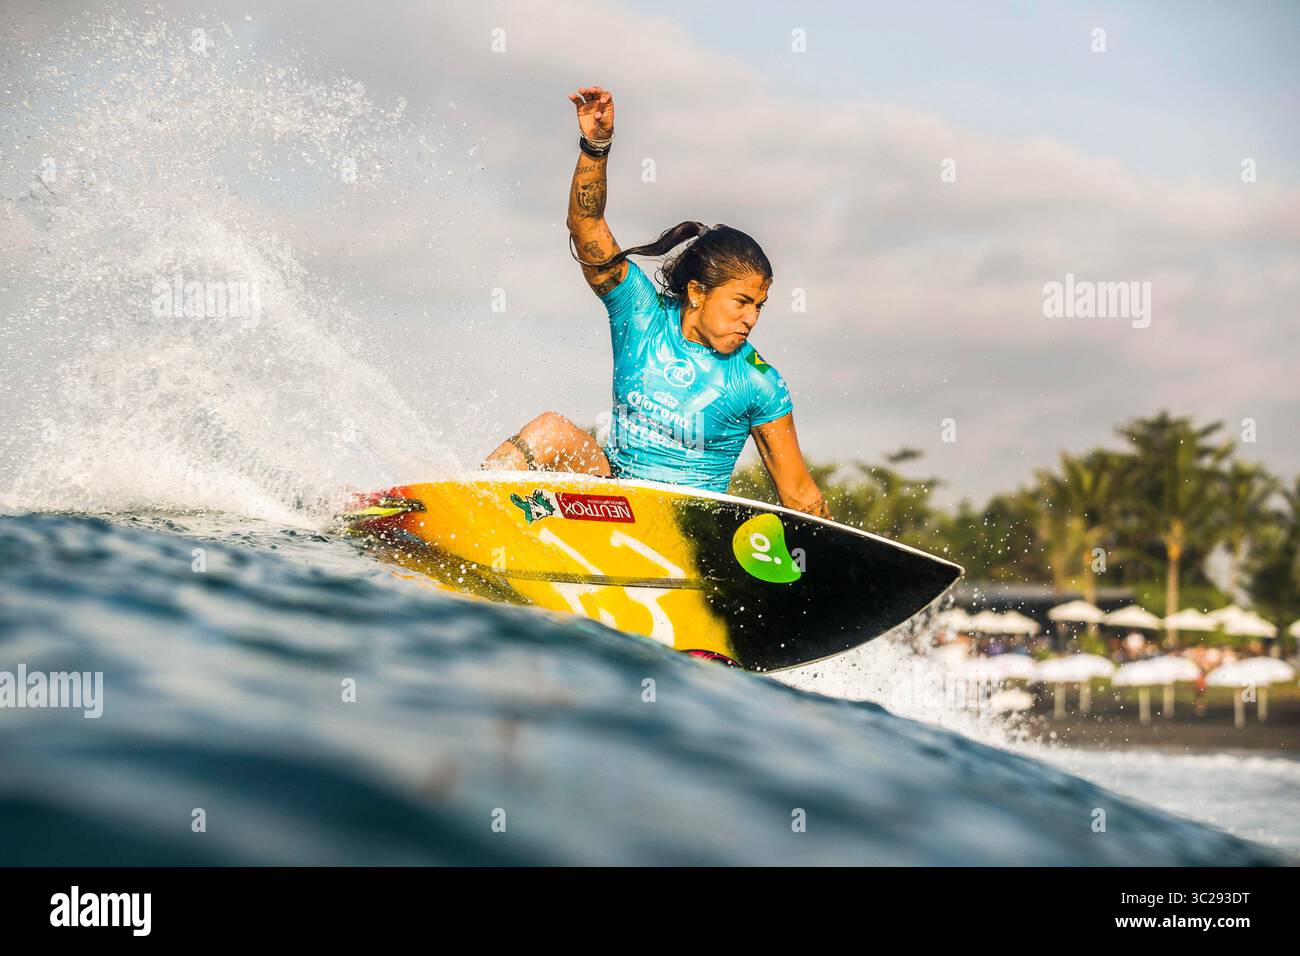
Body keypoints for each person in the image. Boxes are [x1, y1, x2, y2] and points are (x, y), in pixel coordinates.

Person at [481, 85, 830, 518]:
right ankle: (475, 514)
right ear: (698, 292)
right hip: (613, 502)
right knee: (549, 430)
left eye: (759, 306)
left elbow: (798, 494)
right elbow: (586, 225)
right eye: (741, 301)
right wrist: (596, 146)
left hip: (689, 522)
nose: (751, 318)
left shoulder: (759, 381)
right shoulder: (640, 313)